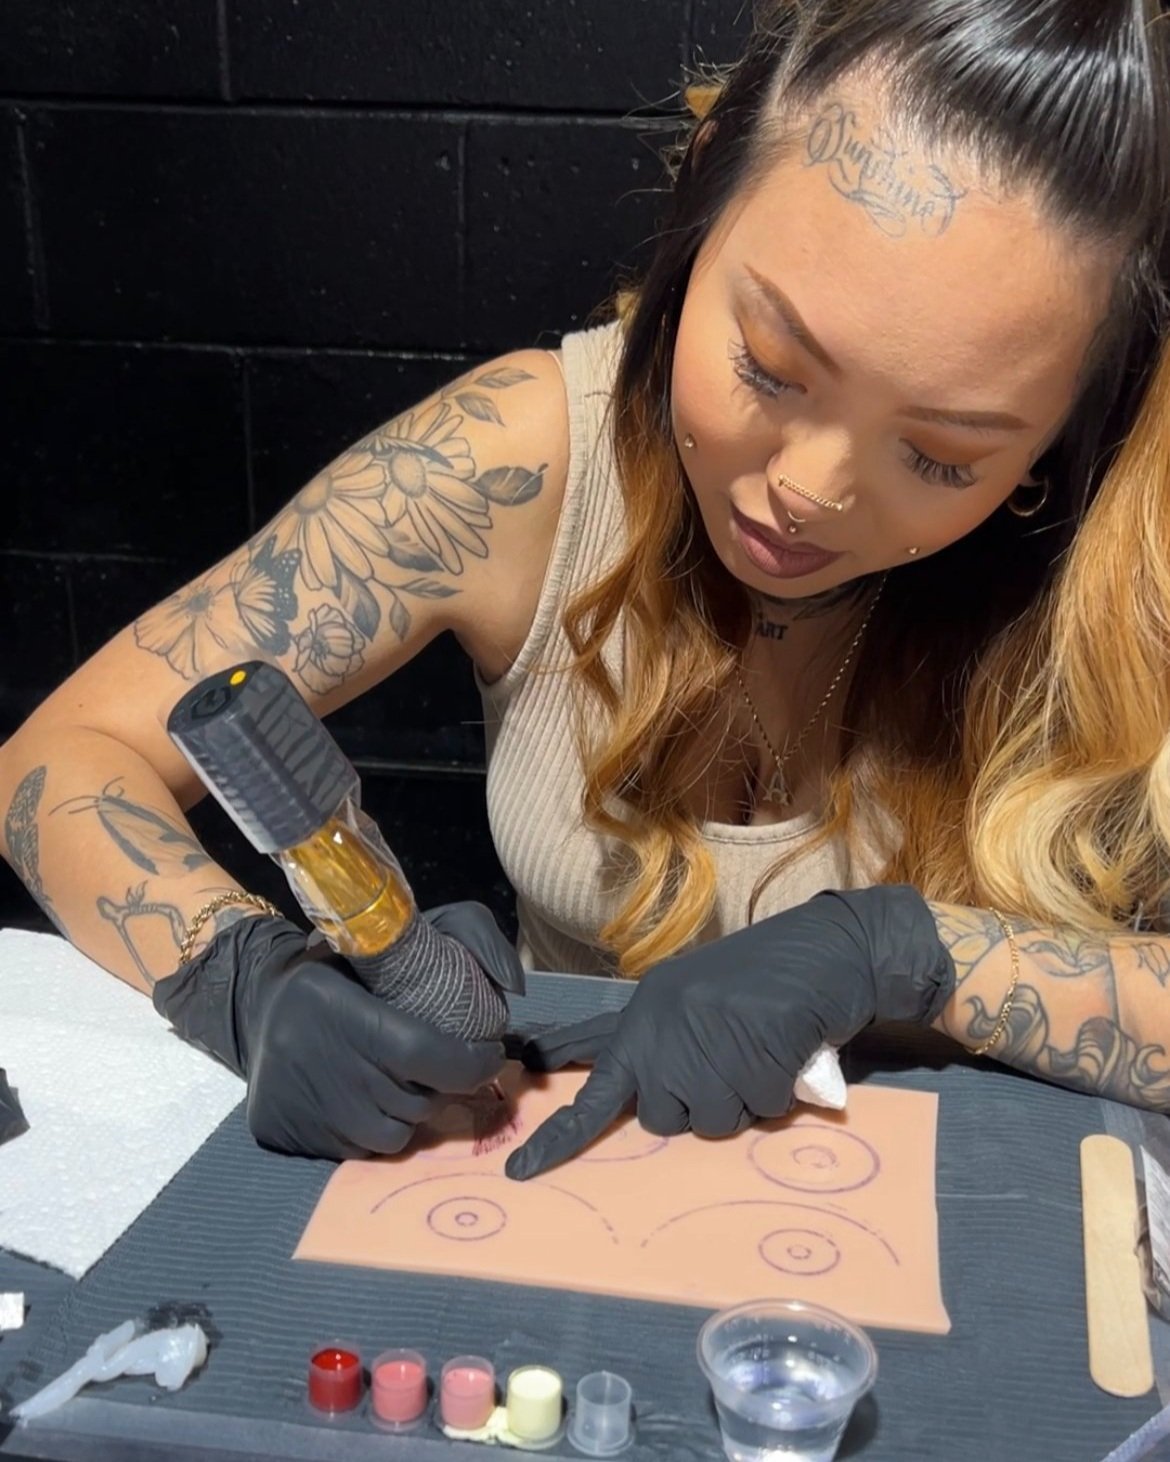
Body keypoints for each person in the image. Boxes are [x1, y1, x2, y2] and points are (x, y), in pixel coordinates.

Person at [2, 0, 1169, 1177]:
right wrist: (238, 976)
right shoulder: (517, 462)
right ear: (706, 193)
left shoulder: (1129, 570)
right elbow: (60, 754)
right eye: (770, 366)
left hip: (969, 1227)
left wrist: (911, 955)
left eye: (942, 456)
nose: (807, 492)